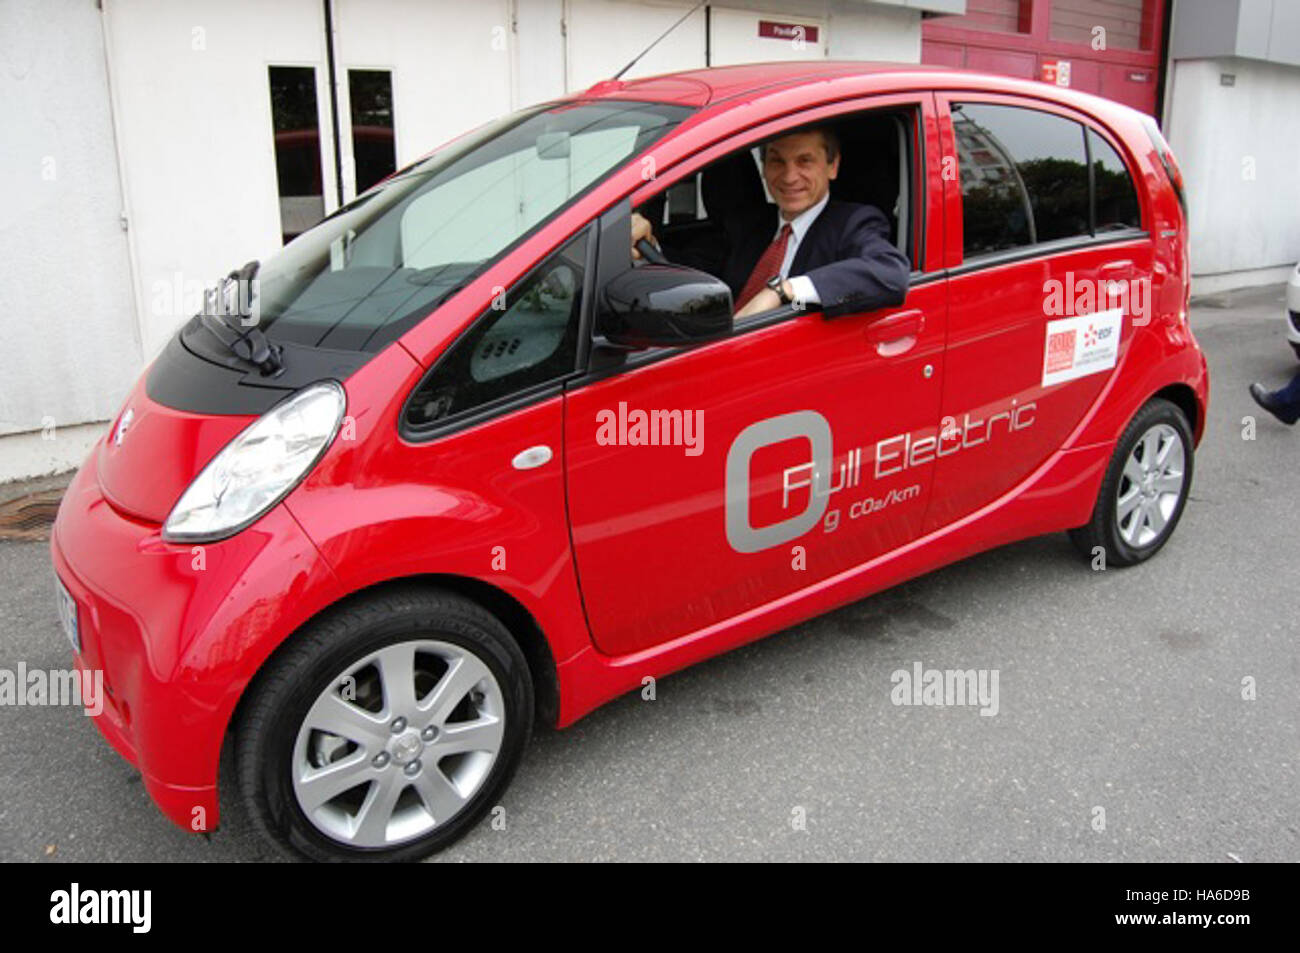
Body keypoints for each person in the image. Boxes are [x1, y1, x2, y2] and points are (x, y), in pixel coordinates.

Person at [631, 125, 910, 319]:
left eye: (804, 161)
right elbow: (695, 270)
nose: (789, 177)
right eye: (777, 161)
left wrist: (782, 291)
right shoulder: (751, 225)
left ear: (832, 166)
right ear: (763, 168)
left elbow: (891, 273)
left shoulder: (852, 223)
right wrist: (646, 245)